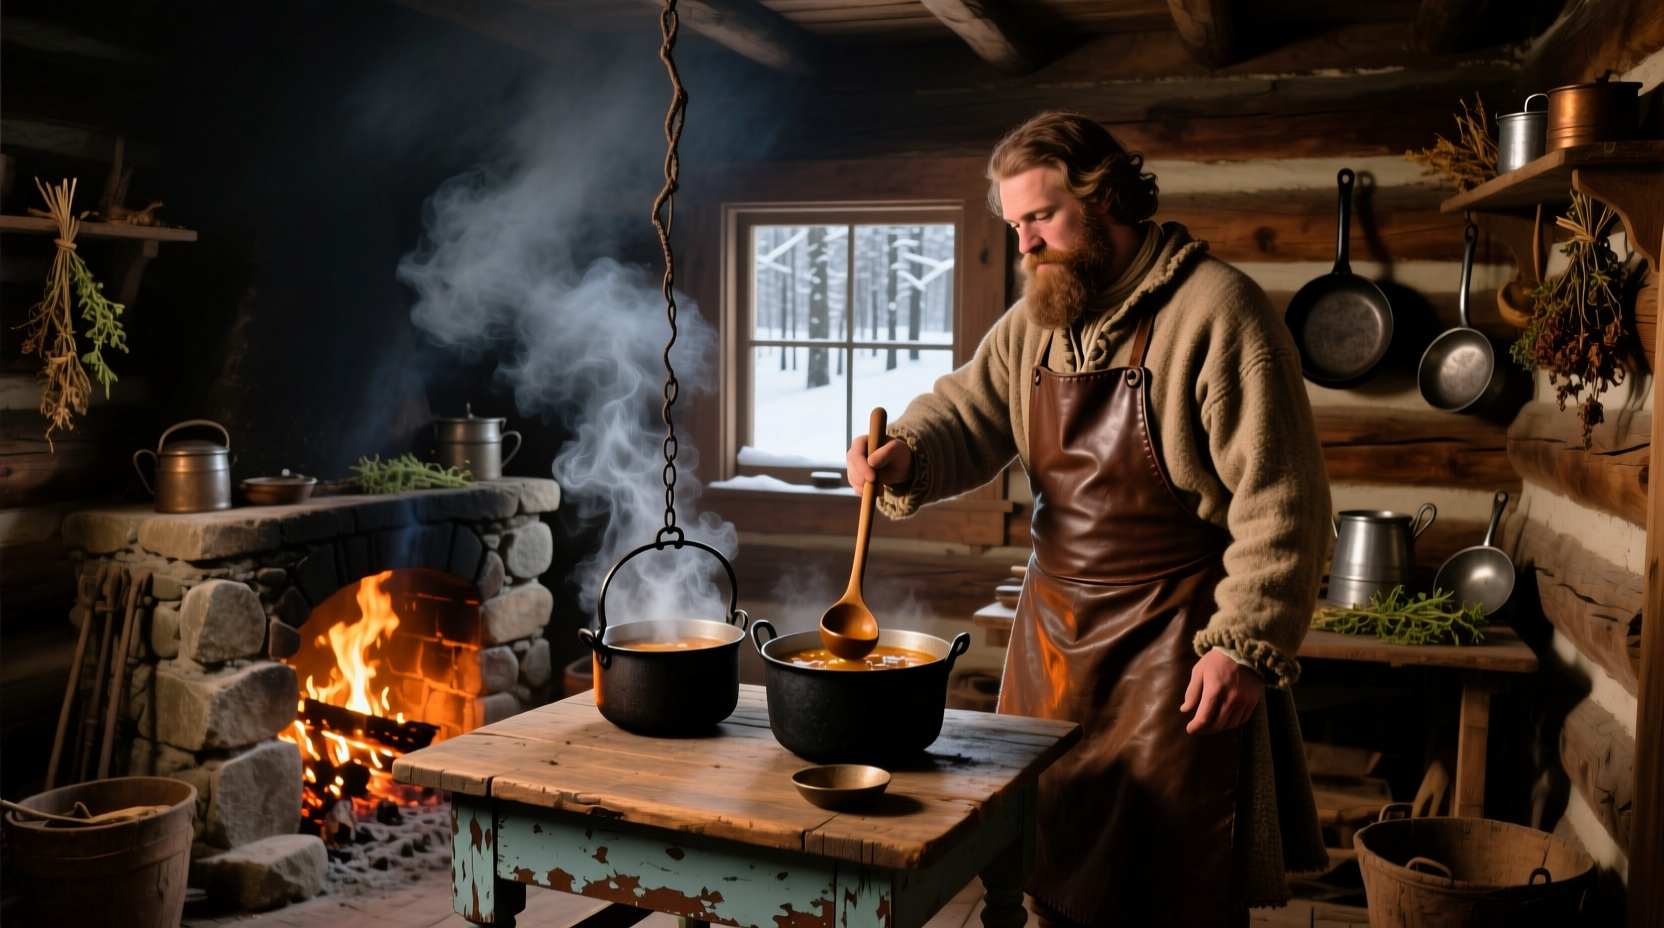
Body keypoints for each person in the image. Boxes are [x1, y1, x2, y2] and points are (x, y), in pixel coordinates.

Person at [845, 112, 1329, 927]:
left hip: (1176, 643)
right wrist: (907, 453)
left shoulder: (1218, 312)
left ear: (1107, 198)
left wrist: (1244, 642)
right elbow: (967, 410)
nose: (1026, 245)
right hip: (1054, 643)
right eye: (1015, 225)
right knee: (1051, 863)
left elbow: (1283, 502)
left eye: (1041, 218)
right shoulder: (1040, 319)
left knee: (1173, 883)